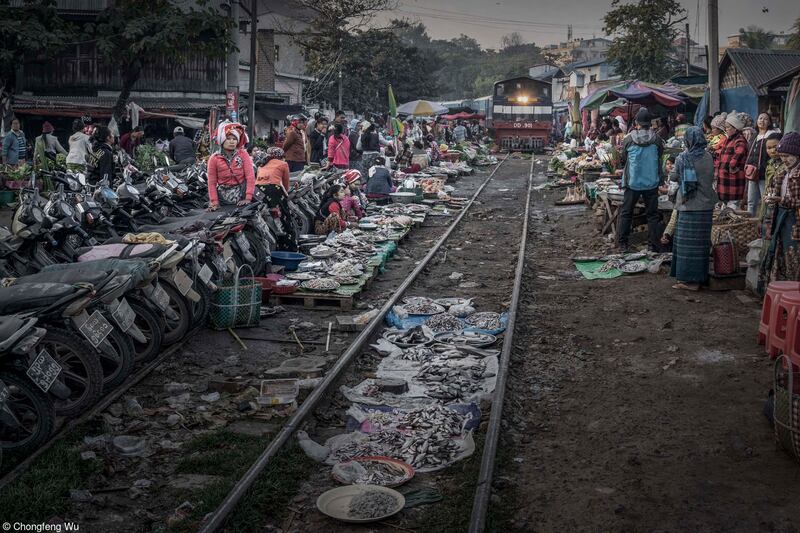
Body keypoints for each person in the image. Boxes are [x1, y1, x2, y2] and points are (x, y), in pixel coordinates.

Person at [669, 127, 718, 291]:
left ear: (688, 140)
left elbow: (674, 177)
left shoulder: (683, 158)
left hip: (688, 206)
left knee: (686, 246)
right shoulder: (708, 156)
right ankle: (699, 278)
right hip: (705, 206)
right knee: (701, 246)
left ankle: (688, 281)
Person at [617, 108, 664, 251]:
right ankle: (653, 246)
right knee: (652, 215)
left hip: (633, 182)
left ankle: (623, 244)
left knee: (626, 212)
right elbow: (660, 156)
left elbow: (623, 158)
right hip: (652, 182)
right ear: (650, 124)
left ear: (636, 123)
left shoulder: (628, 139)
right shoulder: (657, 140)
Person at [760, 132, 800, 289]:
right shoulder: (782, 173)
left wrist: (782, 200)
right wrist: (771, 199)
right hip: (780, 218)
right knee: (779, 253)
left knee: (793, 256)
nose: (784, 159)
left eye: (788, 156)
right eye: (782, 155)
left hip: (795, 221)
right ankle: (779, 289)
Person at [256, 146, 297, 251]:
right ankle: (288, 248)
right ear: (281, 156)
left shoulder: (261, 165)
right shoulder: (283, 164)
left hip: (258, 191)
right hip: (274, 189)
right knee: (284, 218)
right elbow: (286, 183)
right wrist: (285, 195)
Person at [206, 122, 254, 211]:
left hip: (242, 196)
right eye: (228, 139)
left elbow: (250, 177)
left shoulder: (243, 154)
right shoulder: (214, 158)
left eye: (234, 139)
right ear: (222, 140)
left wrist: (248, 198)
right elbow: (211, 183)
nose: (232, 141)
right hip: (223, 199)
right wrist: (215, 202)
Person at [745, 112, 781, 215]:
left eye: (765, 119)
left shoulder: (771, 136)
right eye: (760, 118)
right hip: (752, 172)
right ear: (757, 121)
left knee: (766, 200)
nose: (762, 121)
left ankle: (766, 224)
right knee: (751, 201)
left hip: (764, 173)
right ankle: (750, 224)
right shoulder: (754, 135)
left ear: (769, 122)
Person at [716, 113, 748, 209]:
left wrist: (732, 165)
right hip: (725, 176)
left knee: (733, 205)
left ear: (735, 128)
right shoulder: (728, 140)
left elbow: (740, 153)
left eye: (728, 127)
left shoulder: (740, 140)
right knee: (726, 204)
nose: (726, 129)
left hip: (733, 176)